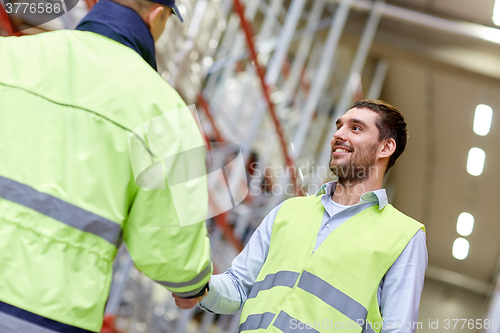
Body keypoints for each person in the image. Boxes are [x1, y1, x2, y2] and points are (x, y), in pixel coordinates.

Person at [0, 1, 212, 332]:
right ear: (156, 16)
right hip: (52, 314)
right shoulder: (169, 115)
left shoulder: (11, 55)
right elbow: (170, 248)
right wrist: (193, 285)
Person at [175, 99, 428, 333]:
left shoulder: (404, 237)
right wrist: (201, 287)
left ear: (386, 147)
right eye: (339, 126)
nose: (338, 135)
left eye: (356, 128)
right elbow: (239, 286)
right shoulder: (289, 211)